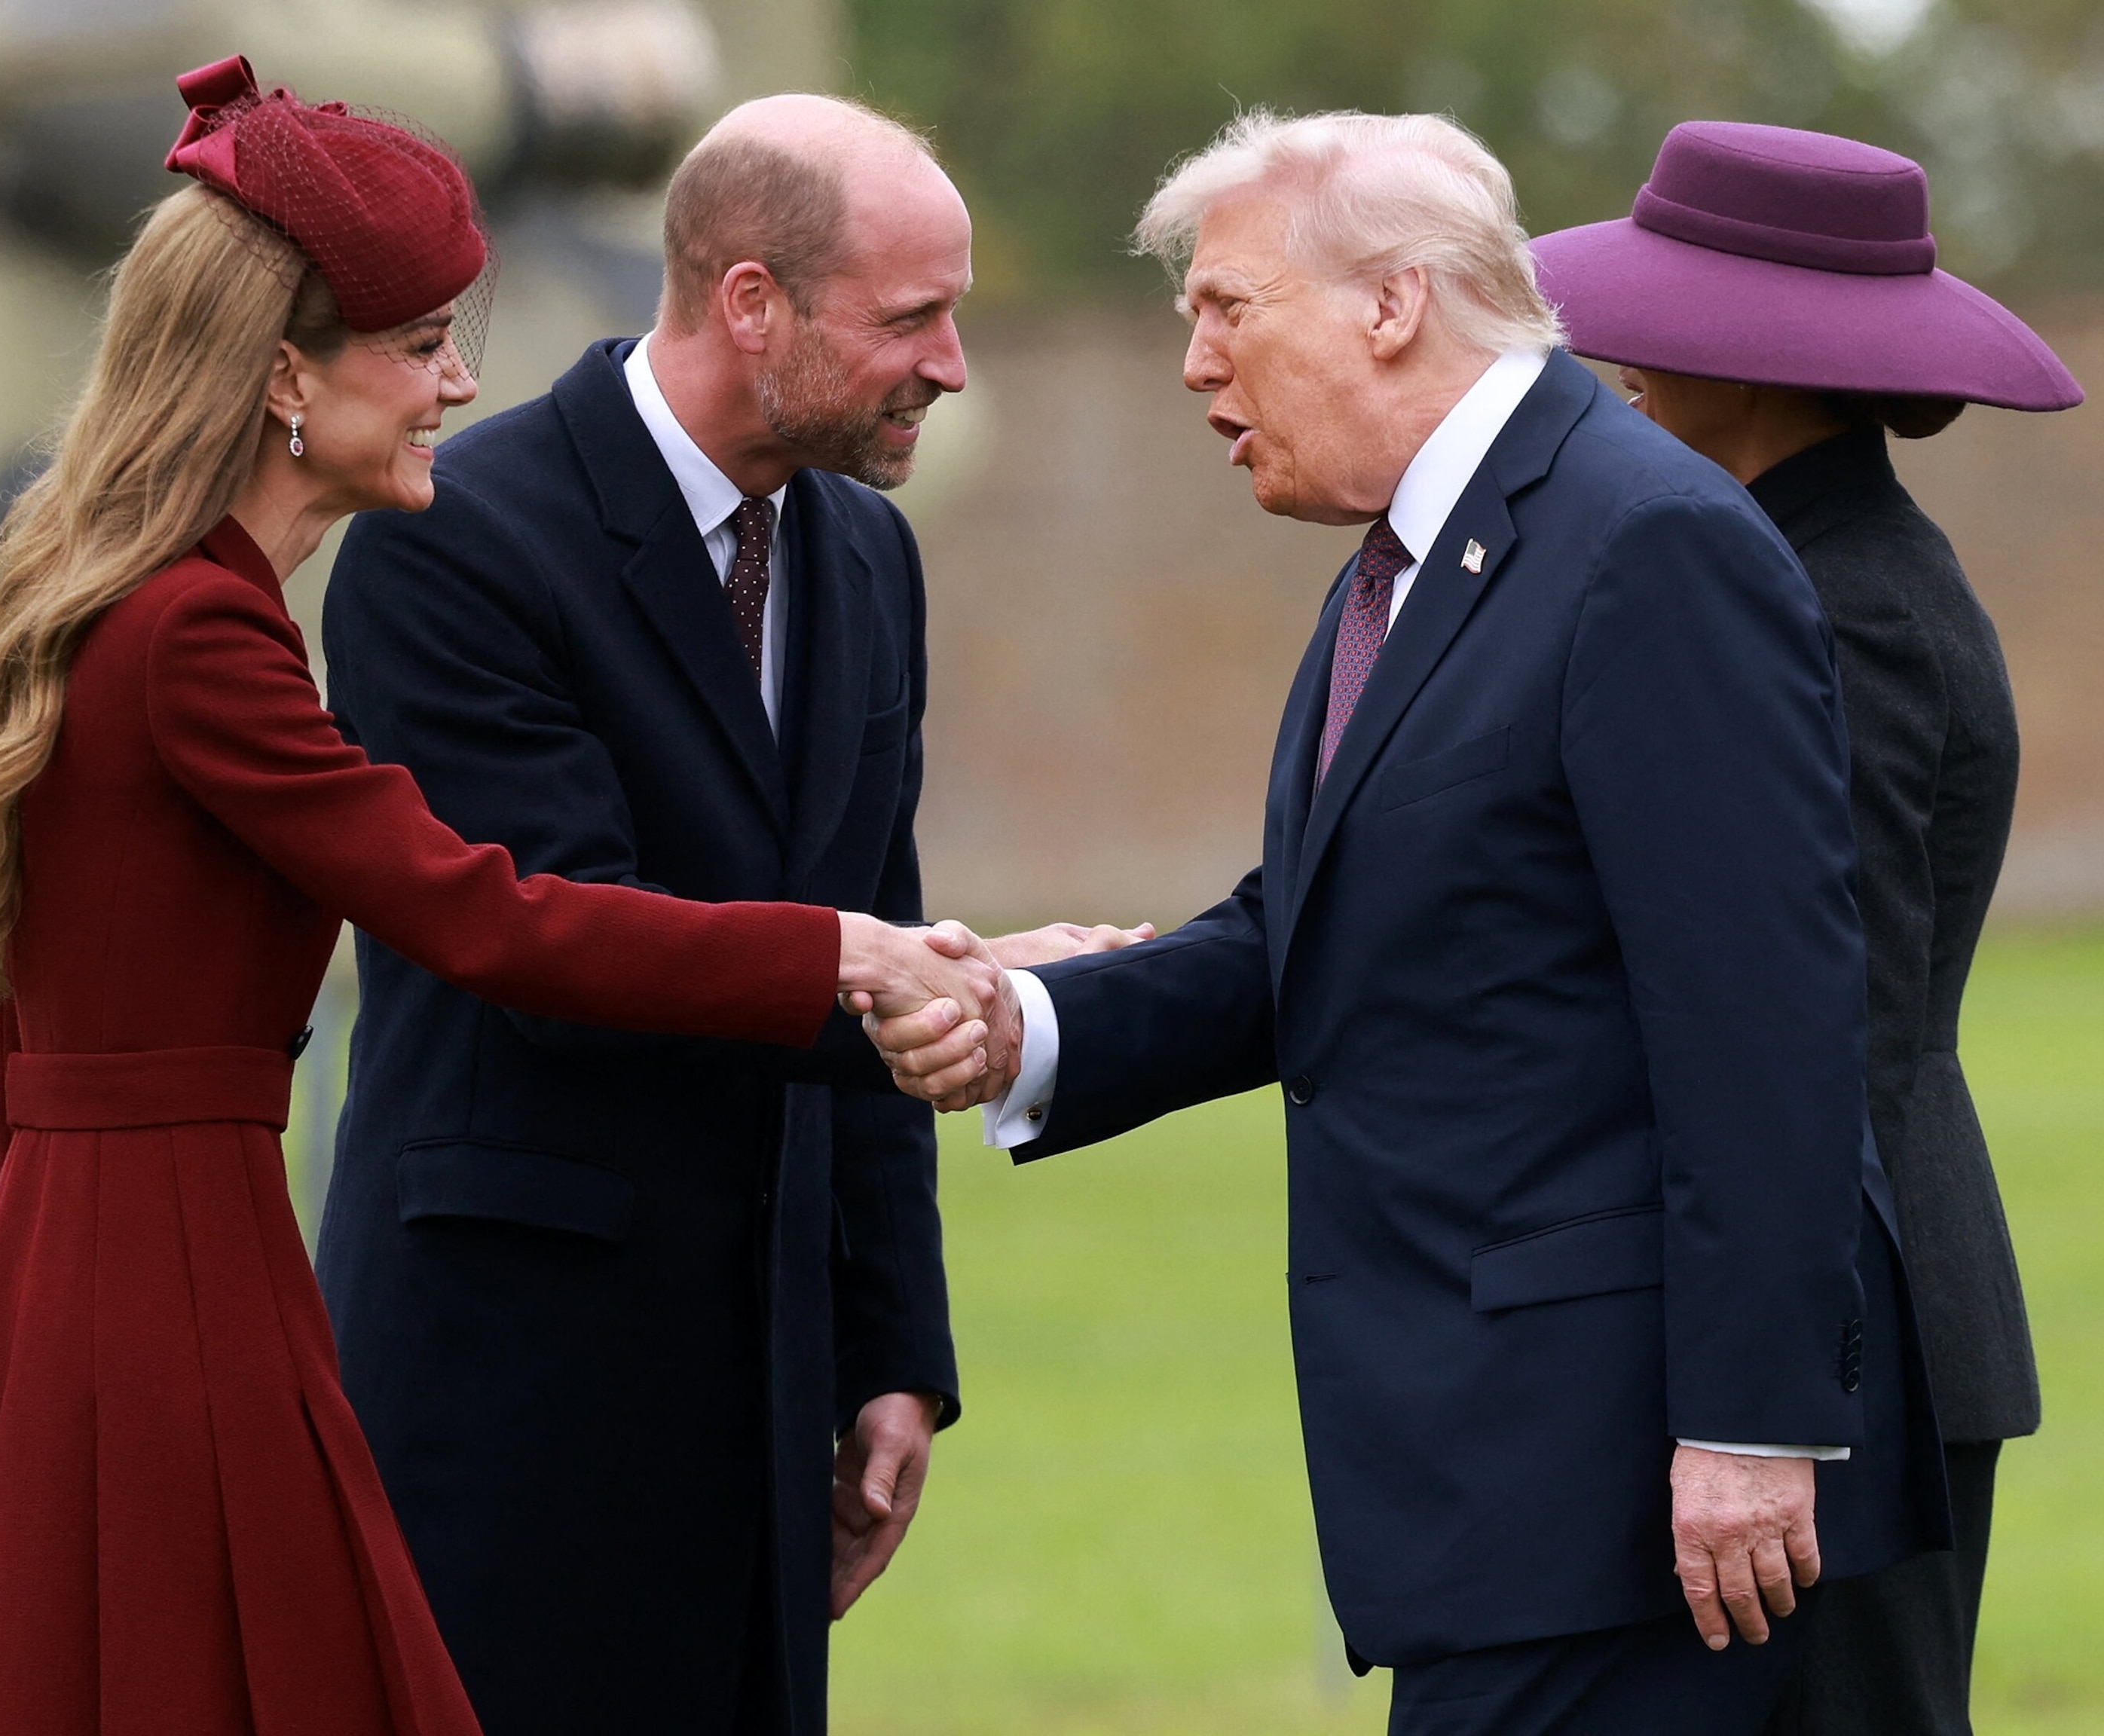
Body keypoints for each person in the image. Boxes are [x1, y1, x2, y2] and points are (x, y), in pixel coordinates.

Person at [0, 58, 996, 1736]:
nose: (455, 386)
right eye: (414, 348)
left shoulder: (148, 607)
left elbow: (29, 1043)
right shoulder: (203, 631)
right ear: (278, 378)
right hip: (183, 1287)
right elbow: (494, 917)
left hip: (100, 1270)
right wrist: (857, 956)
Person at [870, 109, 1948, 1736]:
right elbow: (1325, 930)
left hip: (1637, 1497)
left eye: (1226, 307)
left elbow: (1765, 1020)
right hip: (1504, 1494)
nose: (1193, 366)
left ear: (1391, 303)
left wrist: (1749, 1424)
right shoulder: (1413, 560)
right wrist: (1044, 1026)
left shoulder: (1644, 544)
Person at [313, 91, 1142, 1736]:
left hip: (767, 1397)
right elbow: (557, 948)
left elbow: (873, 899)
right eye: (914, 318)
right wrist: (930, 981)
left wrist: (892, 1346)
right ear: (751, 302)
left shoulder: (866, 555)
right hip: (512, 1395)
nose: (956, 365)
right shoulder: (455, 542)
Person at [1531, 121, 2081, 1736]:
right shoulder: (1793, 562)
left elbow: (1791, 1015)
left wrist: (1769, 1386)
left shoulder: (1834, 601)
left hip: (1862, 1333)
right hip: (1842, 1314)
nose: (1621, 355)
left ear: (1762, 354)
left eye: (1669, 310)